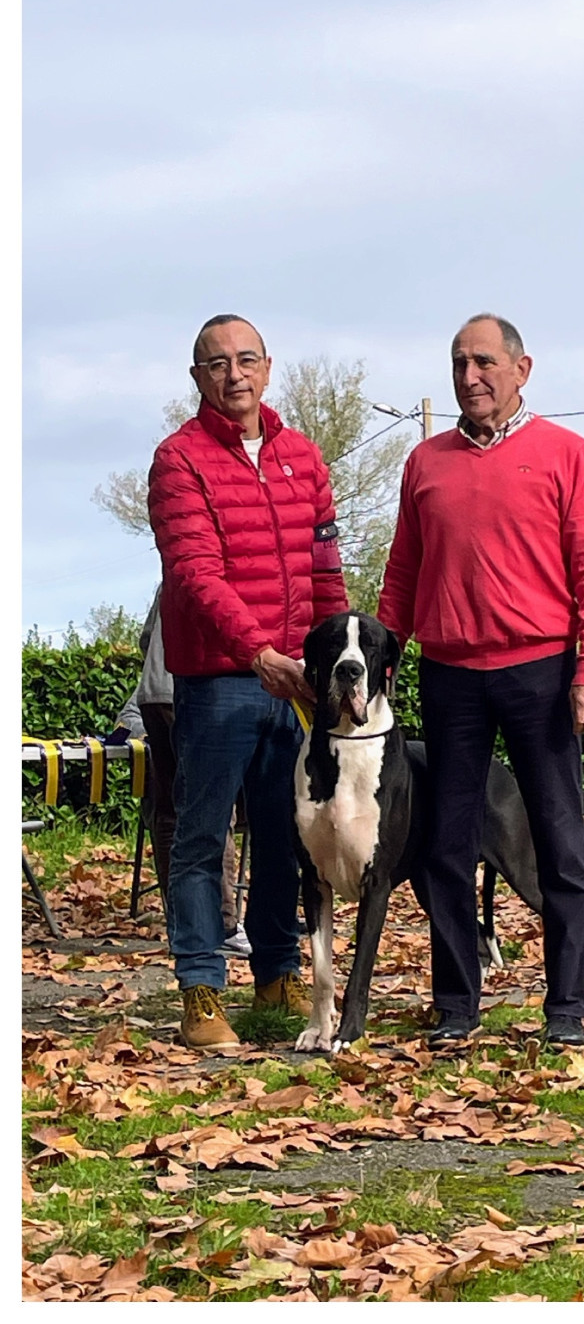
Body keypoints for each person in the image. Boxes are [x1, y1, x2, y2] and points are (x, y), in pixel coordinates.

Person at [378, 313, 584, 1052]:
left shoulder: (566, 453)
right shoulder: (425, 463)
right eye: (458, 363)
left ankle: (568, 1006)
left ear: (522, 369)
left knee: (558, 845)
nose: (470, 376)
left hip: (542, 675)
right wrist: (384, 662)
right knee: (446, 847)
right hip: (449, 677)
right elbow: (402, 576)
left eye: (484, 361)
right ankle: (457, 1004)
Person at [147, 314, 347, 1052]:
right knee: (201, 838)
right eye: (216, 363)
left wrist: (331, 662)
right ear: (197, 378)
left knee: (285, 835)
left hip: (295, 685)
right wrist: (259, 651)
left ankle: (277, 974)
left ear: (268, 368)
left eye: (246, 359)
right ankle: (201, 987)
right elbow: (195, 575)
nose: (234, 374)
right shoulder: (179, 460)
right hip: (220, 682)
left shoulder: (303, 457)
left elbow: (326, 571)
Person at [106, 588, 248, 957]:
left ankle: (182, 919)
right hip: (196, 689)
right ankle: (223, 923)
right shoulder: (222, 571)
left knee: (171, 811)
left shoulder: (174, 572)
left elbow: (146, 637)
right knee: (216, 808)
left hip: (154, 693)